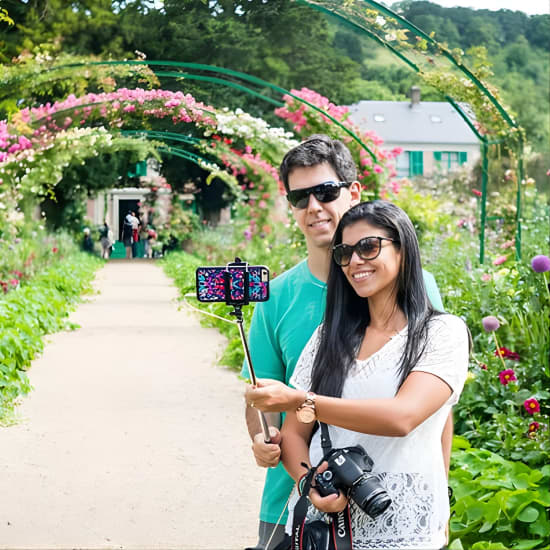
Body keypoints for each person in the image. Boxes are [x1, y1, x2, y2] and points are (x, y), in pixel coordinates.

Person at [241, 135, 451, 550]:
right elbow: (263, 398)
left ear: (353, 192)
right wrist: (265, 438)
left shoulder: (421, 295)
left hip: (390, 508)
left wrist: (437, 494)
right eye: (300, 198)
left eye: (325, 191)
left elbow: (434, 409)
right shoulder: (277, 297)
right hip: (291, 504)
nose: (314, 207)